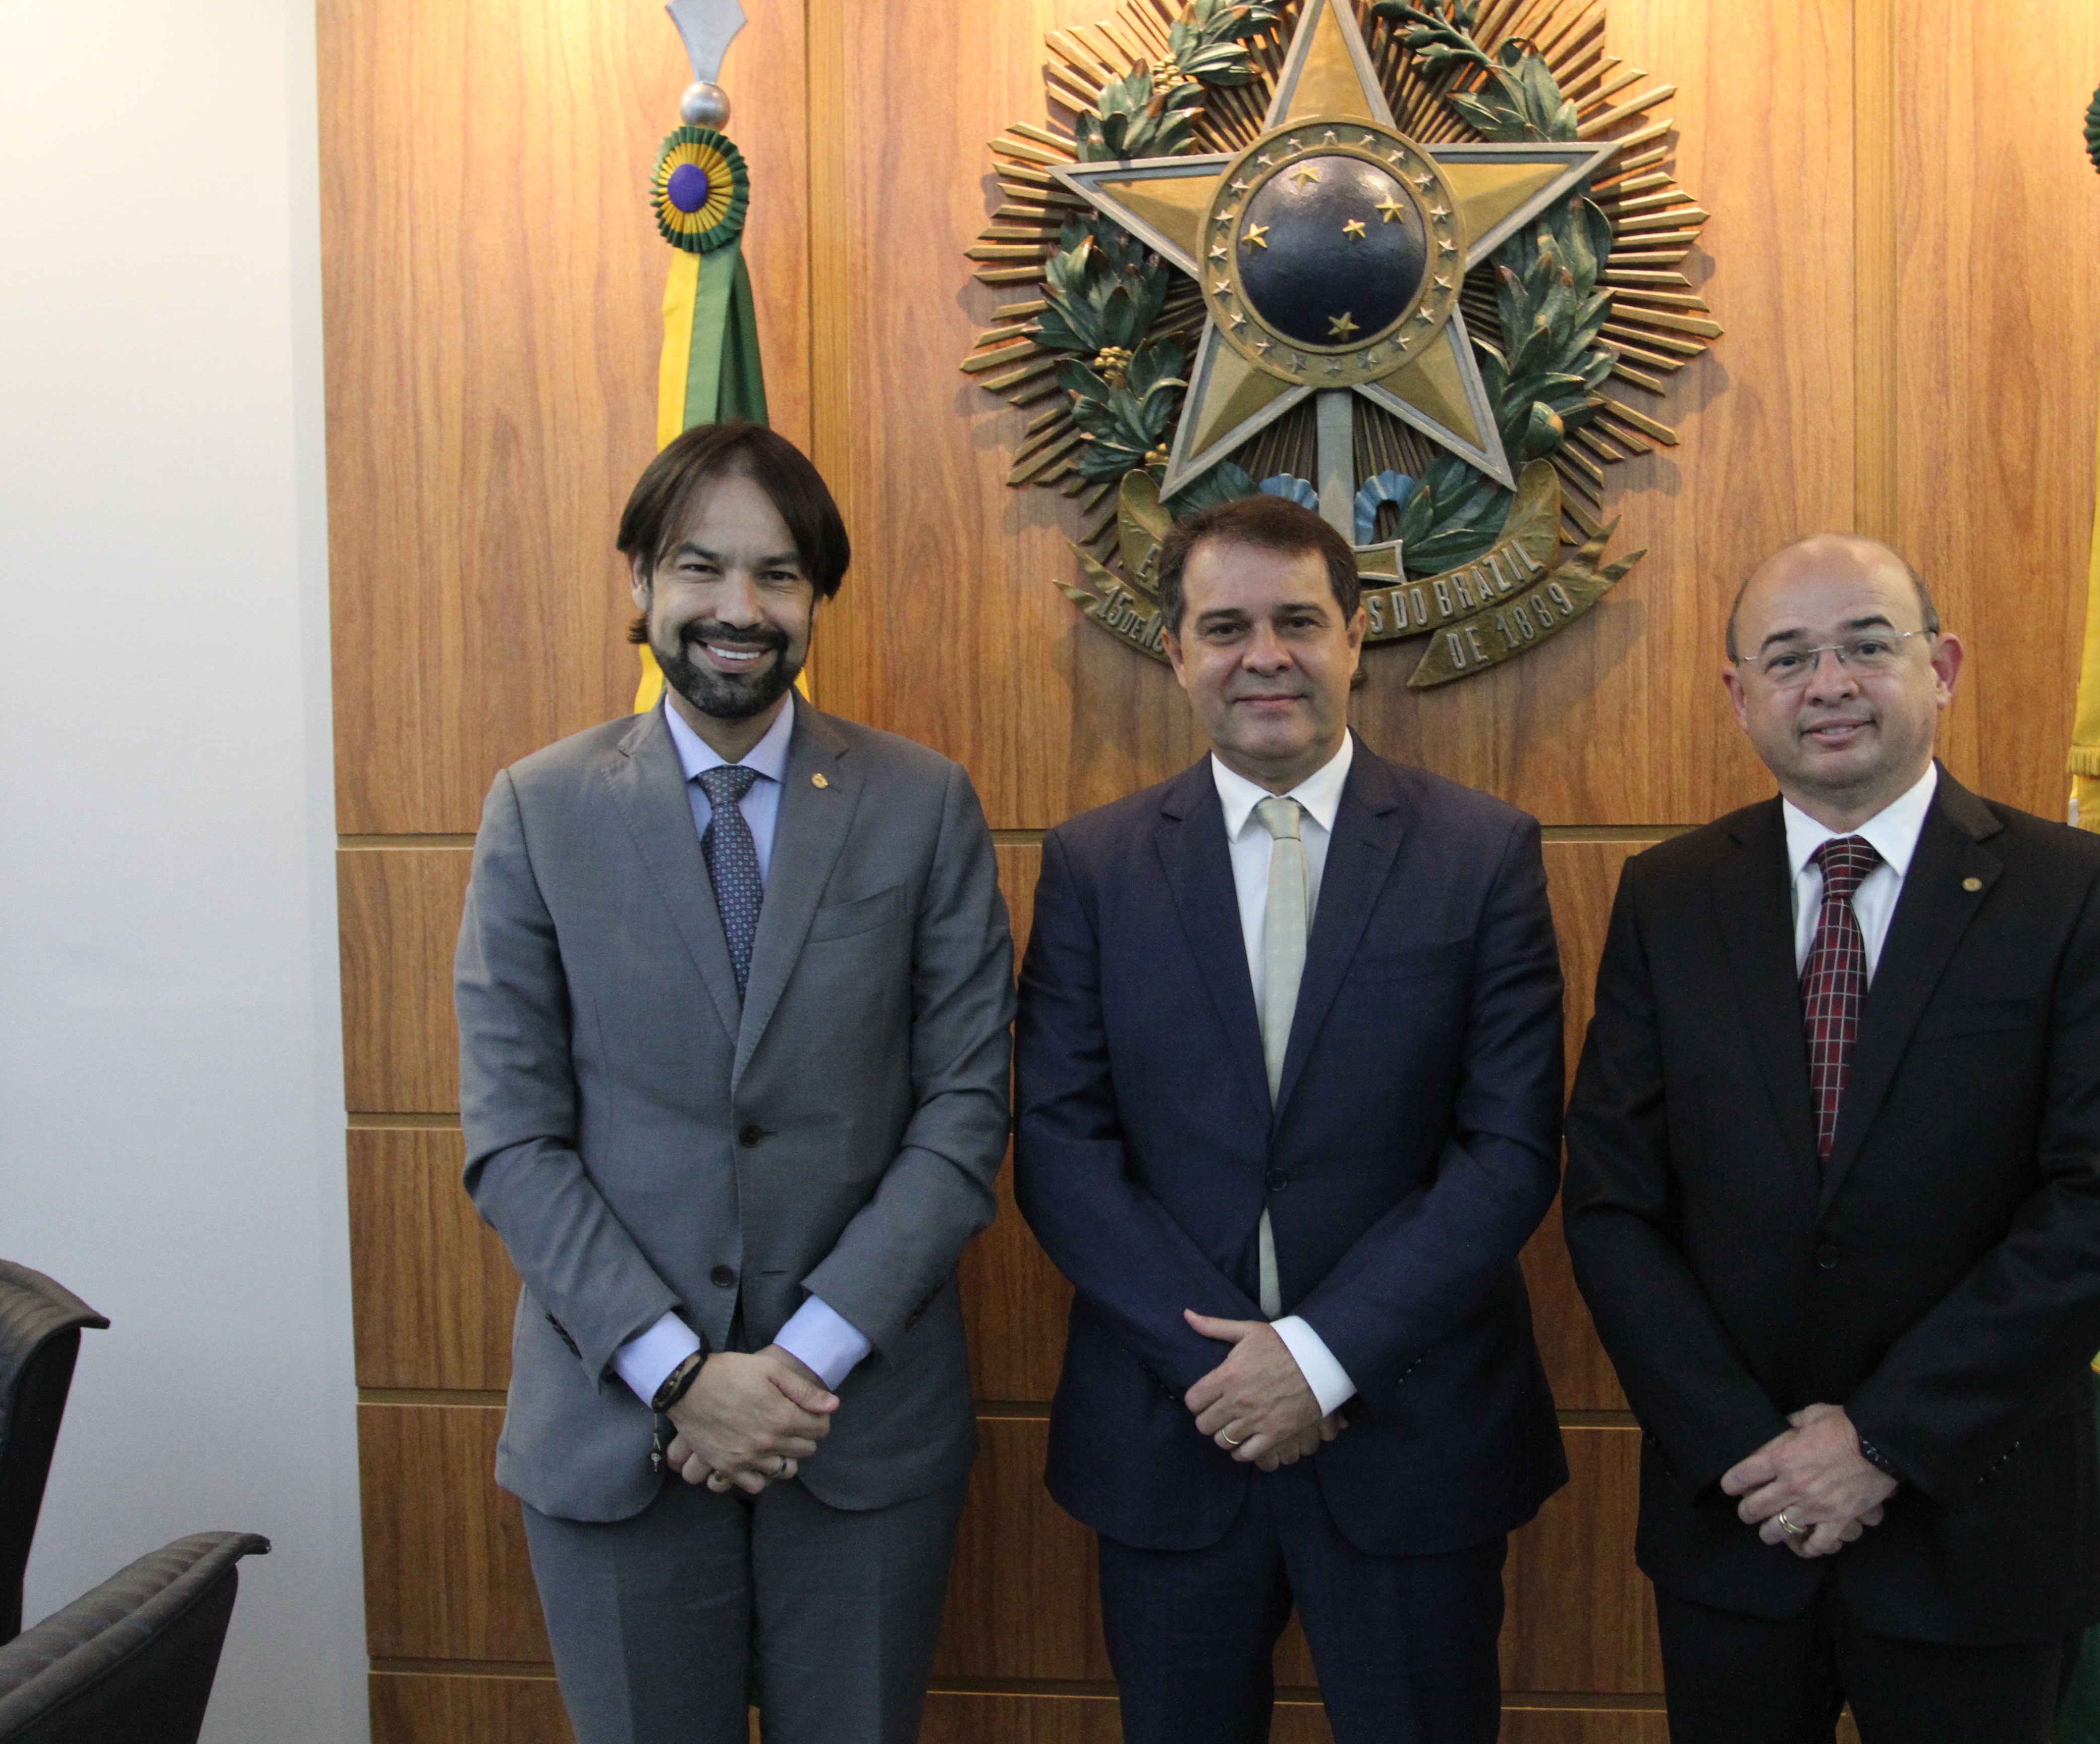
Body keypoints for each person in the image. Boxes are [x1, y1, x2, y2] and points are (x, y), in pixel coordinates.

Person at [454, 421, 1015, 1744]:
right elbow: (514, 1137)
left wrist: (798, 1367)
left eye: (777, 576)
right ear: (640, 581)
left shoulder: (923, 805)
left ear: (817, 599)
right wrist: (679, 1374)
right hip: (616, 1434)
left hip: (859, 1428)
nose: (737, 610)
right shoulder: (538, 811)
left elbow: (964, 1113)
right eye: (702, 568)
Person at [1561, 533, 2100, 1742]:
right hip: (1735, 1520)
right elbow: (1613, 1202)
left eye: (1867, 645)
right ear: (1739, 696)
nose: (1828, 683)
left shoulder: (2073, 893)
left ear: (1942, 666)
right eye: (1787, 657)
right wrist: (1751, 1453)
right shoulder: (1669, 897)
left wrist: (1884, 1441)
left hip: (1977, 1526)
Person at [1013, 494, 1569, 1744]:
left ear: (1356, 636)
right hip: (1172, 1432)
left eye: (1297, 622)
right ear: (1175, 652)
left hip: (1412, 1437)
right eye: (1226, 626)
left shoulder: (1482, 855)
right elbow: (1059, 1146)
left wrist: (1318, 1359)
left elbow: (1508, 1149)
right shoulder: (1094, 866)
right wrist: (1224, 1368)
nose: (1263, 654)